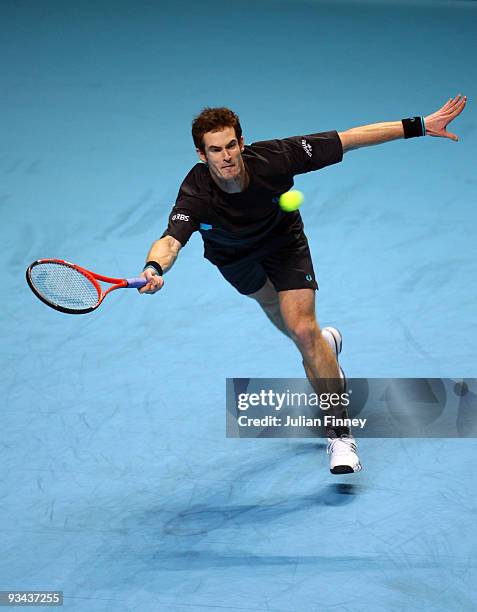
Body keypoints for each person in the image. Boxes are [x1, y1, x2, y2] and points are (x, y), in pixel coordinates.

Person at [139, 95, 467, 474]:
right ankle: (326, 349)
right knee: (291, 326)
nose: (226, 156)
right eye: (215, 149)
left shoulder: (276, 158)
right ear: (201, 155)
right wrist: (154, 267)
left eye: (231, 145)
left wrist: (420, 125)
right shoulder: (195, 193)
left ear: (242, 144)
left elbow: (349, 138)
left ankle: (340, 435)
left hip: (283, 246)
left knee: (302, 329)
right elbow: (170, 240)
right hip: (235, 261)